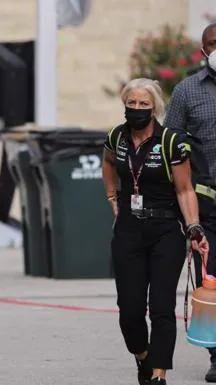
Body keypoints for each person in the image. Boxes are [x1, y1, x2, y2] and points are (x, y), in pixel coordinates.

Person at [102, 78, 209, 385]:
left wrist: (193, 227)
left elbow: (185, 189)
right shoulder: (116, 137)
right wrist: (112, 197)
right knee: (130, 310)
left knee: (162, 307)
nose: (136, 109)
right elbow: (109, 163)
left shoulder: (171, 142)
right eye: (131, 103)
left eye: (143, 104)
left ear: (155, 108)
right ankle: (143, 357)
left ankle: (158, 375)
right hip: (127, 231)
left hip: (165, 230)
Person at [163, 21, 216, 383]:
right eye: (213, 43)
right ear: (203, 51)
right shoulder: (186, 92)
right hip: (207, 204)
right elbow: (171, 149)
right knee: (210, 279)